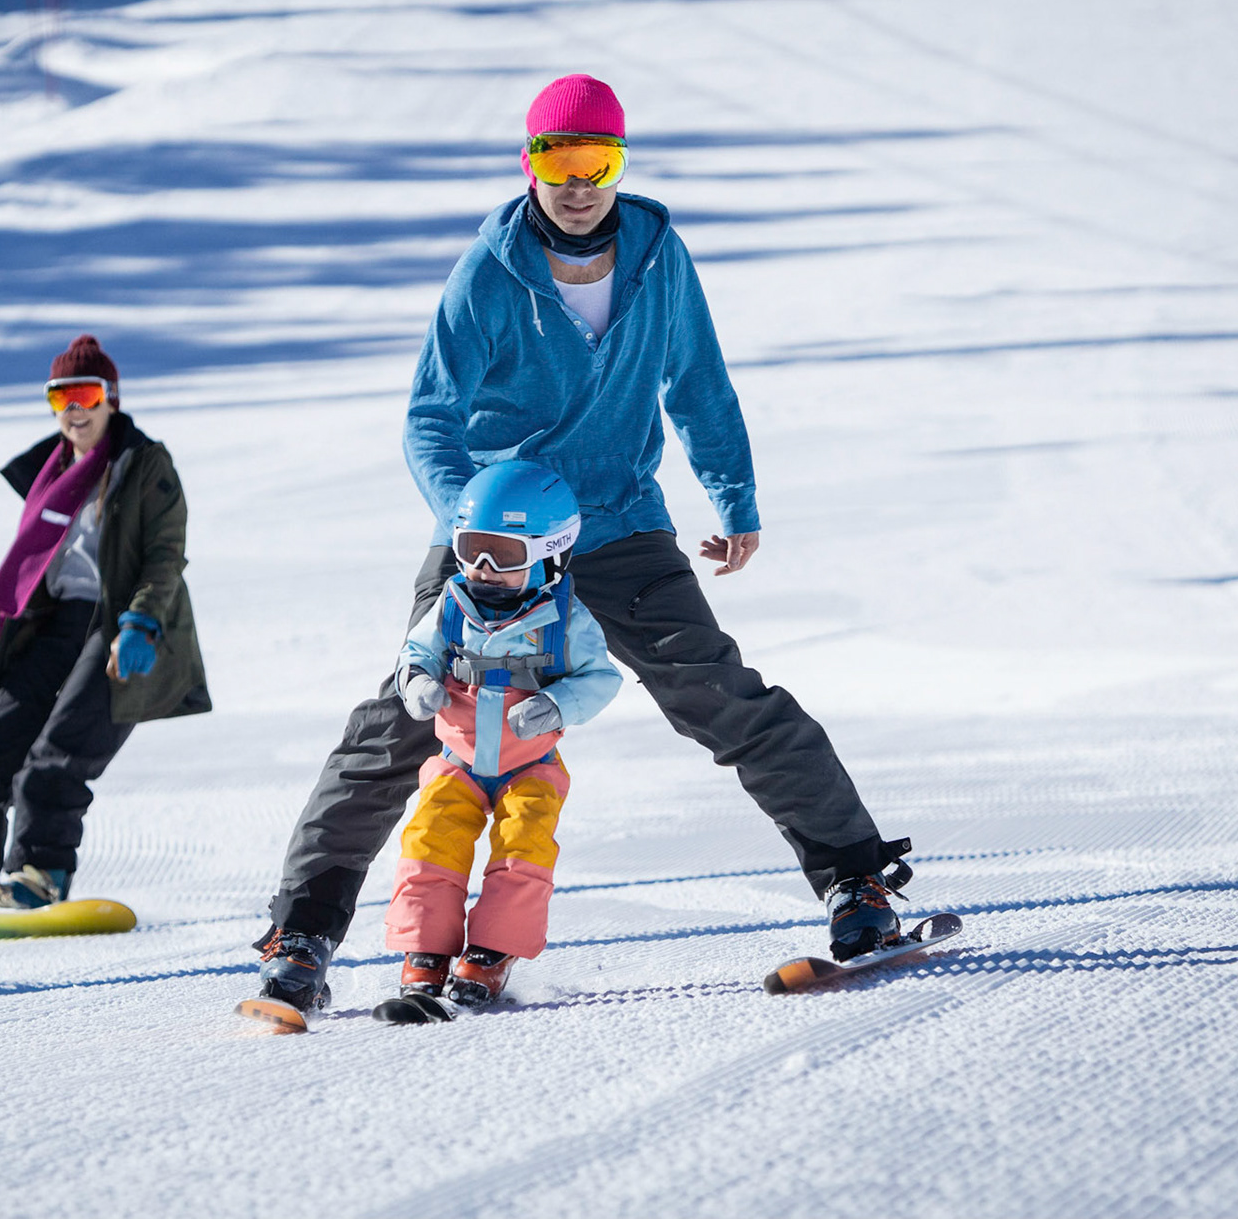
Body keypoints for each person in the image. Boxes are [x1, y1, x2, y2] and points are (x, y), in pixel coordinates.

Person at [254, 74, 912, 1014]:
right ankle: (301, 937)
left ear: (619, 164)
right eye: (557, 161)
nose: (576, 183)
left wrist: (733, 494)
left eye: (595, 162)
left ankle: (857, 882)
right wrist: (467, 519)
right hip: (499, 533)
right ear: (530, 165)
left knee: (720, 696)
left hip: (615, 520)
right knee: (405, 717)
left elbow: (698, 381)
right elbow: (430, 417)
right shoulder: (491, 268)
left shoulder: (656, 255)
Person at [0, 334, 210, 911]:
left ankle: (39, 873)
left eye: (86, 395)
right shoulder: (51, 470)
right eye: (60, 399)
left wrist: (140, 622)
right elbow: (31, 568)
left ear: (110, 397)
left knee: (60, 751)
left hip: (121, 625)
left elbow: (166, 553)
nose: (74, 411)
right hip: (54, 624)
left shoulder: (143, 461)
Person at [380, 462, 621, 1020]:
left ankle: (491, 952)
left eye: (505, 555)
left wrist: (559, 704)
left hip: (529, 765)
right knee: (429, 843)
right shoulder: (449, 606)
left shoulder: (566, 620)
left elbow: (601, 678)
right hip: (457, 760)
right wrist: (417, 682)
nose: (483, 569)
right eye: (471, 549)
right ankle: (427, 950)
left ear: (549, 552)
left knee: (523, 851)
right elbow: (416, 654)